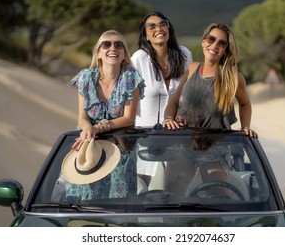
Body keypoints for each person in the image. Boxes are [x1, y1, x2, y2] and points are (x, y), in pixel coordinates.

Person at [62, 30, 145, 201]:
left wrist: (97, 127)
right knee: (84, 199)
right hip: (89, 145)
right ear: (98, 53)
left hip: (120, 147)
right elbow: (82, 116)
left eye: (118, 45)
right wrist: (87, 129)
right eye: (106, 44)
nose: (112, 48)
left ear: (124, 55)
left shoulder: (130, 78)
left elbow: (128, 118)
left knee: (118, 203)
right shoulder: (86, 78)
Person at [163, 23, 258, 138]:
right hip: (184, 148)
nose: (215, 45)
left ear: (226, 50)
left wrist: (245, 127)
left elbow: (245, 103)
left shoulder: (233, 78)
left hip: (216, 151)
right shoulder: (192, 69)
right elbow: (173, 102)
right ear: (203, 42)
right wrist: (168, 119)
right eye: (211, 39)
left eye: (222, 43)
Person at [131, 11, 193, 127]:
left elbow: (189, 94)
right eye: (152, 26)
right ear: (145, 36)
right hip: (145, 137)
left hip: (179, 136)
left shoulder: (185, 54)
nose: (158, 29)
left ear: (169, 29)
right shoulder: (139, 59)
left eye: (163, 24)